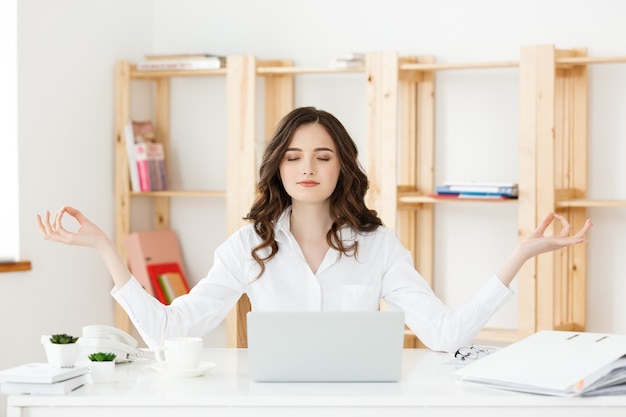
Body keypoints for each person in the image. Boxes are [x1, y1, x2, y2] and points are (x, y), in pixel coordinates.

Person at [37, 106, 593, 353]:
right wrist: (105, 248)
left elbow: (444, 336)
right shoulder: (249, 246)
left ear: (342, 168)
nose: (308, 168)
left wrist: (520, 255)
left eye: (323, 157)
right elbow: (166, 332)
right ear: (278, 166)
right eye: (295, 156)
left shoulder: (376, 246)